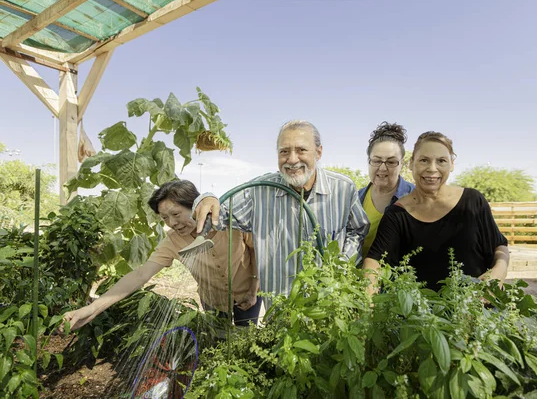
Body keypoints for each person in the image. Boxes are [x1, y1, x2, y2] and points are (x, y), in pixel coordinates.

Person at [193, 120, 370, 298]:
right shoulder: (259, 191)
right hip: (280, 308)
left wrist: (342, 264)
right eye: (284, 151)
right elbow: (220, 214)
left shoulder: (343, 189)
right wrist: (206, 198)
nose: (292, 159)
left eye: (301, 150)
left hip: (328, 304)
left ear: (318, 152)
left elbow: (357, 229)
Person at [62, 180, 261, 330]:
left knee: (247, 336)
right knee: (218, 339)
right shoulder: (173, 241)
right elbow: (140, 275)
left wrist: (253, 289)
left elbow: (258, 252)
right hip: (214, 299)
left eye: (176, 214)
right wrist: (93, 308)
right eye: (165, 218)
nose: (172, 222)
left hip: (248, 291)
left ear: (195, 206)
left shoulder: (229, 223)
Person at [363, 131, 509, 293]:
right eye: (424, 160)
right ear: (411, 164)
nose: (432, 169)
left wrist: (498, 273)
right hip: (421, 314)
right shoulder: (397, 213)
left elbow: (499, 245)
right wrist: (369, 303)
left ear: (452, 164)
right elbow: (374, 260)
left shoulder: (473, 201)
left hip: (478, 310)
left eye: (441, 161)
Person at [358, 122, 415, 259]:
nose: (382, 168)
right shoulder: (355, 199)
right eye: (377, 161)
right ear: (368, 161)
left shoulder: (416, 198)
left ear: (401, 164)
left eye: (391, 162)